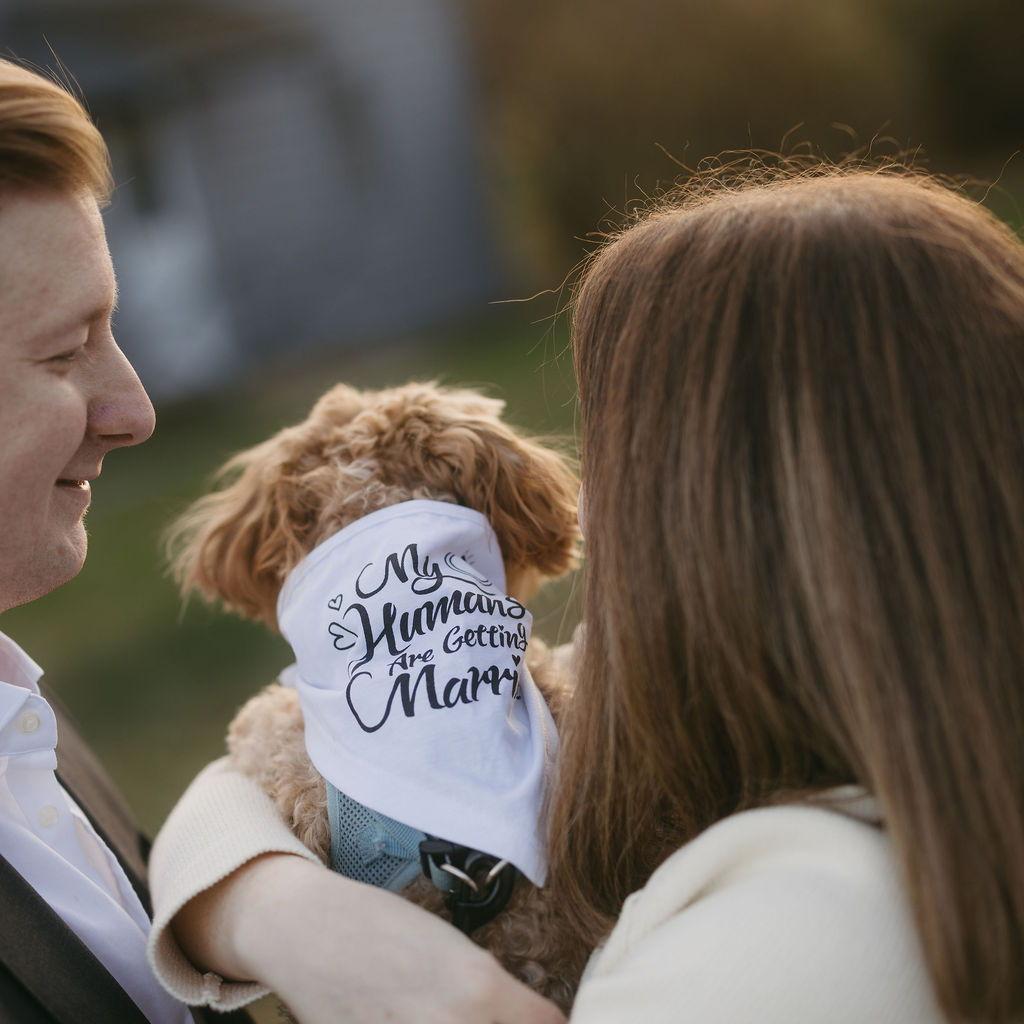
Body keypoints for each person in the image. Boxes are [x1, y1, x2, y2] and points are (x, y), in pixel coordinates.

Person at [152, 162, 1024, 1024]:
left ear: (738, 523)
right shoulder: (820, 776)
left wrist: (279, 919)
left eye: (616, 450)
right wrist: (280, 914)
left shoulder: (774, 960)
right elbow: (227, 796)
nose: (587, 502)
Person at [0, 58, 562, 1024]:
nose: (135, 411)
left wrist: (265, 908)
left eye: (112, 331)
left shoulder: (21, 718)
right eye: (62, 352)